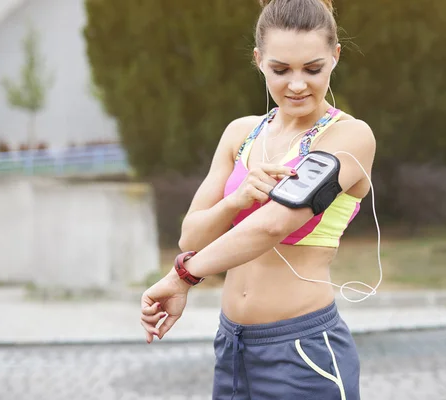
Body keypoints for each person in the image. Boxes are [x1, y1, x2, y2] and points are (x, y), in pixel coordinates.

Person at [140, 0, 376, 398]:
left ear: (335, 57)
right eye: (281, 70)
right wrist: (237, 199)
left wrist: (183, 277)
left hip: (303, 351)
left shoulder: (349, 137)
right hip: (232, 347)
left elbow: (274, 224)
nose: (297, 84)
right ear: (258, 60)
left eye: (312, 69)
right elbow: (191, 236)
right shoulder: (241, 134)